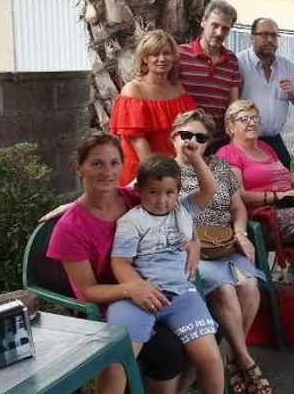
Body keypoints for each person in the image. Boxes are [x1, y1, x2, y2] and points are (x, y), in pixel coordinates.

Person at [46, 131, 188, 394]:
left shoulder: (133, 198)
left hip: (153, 293)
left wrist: (196, 244)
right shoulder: (69, 229)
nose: (107, 172)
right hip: (105, 307)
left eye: (114, 163)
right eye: (96, 163)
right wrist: (130, 289)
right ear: (79, 167)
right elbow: (88, 291)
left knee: (195, 334)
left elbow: (176, 206)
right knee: (164, 348)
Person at [170, 110, 271, 394]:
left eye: (200, 138)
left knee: (250, 286)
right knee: (225, 289)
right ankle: (244, 360)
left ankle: (232, 355)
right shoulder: (163, 169)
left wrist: (240, 232)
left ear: (208, 142)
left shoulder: (221, 167)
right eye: (185, 135)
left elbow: (238, 208)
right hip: (191, 250)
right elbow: (123, 191)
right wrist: (75, 205)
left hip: (224, 243)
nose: (192, 142)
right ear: (173, 137)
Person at [108, 151, 224, 394]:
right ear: (139, 190)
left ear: (179, 191)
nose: (162, 201)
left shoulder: (184, 209)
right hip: (142, 298)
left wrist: (195, 160)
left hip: (183, 296)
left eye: (169, 193)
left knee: (211, 359)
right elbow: (121, 263)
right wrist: (138, 289)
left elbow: (210, 188)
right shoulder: (131, 222)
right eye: (153, 192)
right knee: (118, 362)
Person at [217, 100, 294, 251]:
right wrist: (282, 195)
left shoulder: (265, 147)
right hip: (263, 219)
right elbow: (240, 196)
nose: (252, 123)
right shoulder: (228, 153)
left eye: (255, 118)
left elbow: (287, 176)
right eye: (244, 119)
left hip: (290, 206)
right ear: (231, 127)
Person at [109, 30, 196, 186]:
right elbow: (138, 141)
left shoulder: (178, 89)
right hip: (144, 171)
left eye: (167, 53)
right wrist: (158, 177)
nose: (162, 59)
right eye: (155, 54)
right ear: (144, 59)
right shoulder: (133, 90)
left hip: (175, 169)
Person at [237, 17, 294, 169]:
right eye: (264, 34)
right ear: (252, 37)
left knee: (284, 180)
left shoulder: (286, 66)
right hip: (244, 140)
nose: (269, 39)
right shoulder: (238, 63)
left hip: (274, 140)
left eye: (274, 35)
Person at [177, 0, 241, 154]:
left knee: (219, 179)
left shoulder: (232, 60)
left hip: (217, 143)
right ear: (203, 22)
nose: (219, 33)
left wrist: (233, 145)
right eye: (215, 25)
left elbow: (233, 105)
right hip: (185, 141)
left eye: (225, 28)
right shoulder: (179, 54)